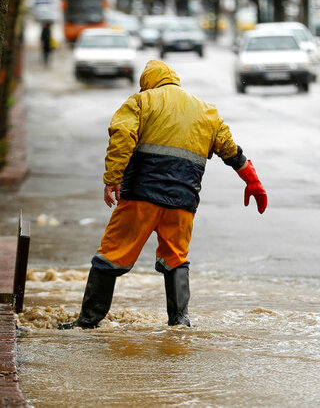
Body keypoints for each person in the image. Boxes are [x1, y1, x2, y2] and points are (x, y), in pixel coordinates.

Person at [59, 60, 267, 330]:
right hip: (183, 202)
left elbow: (122, 136)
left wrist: (112, 178)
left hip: (141, 198)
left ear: (148, 82)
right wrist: (253, 181)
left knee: (110, 255)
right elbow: (230, 150)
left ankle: (87, 322)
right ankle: (180, 323)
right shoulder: (207, 111)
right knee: (175, 259)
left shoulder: (142, 101)